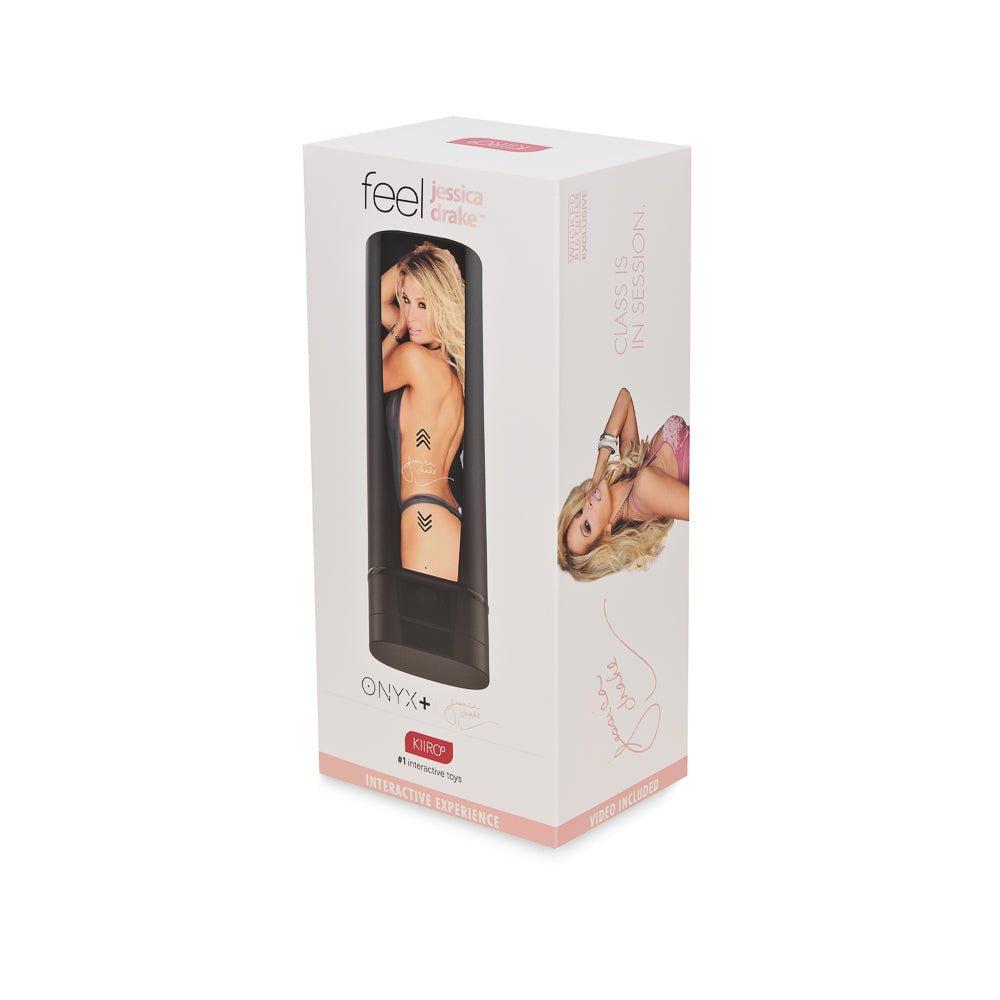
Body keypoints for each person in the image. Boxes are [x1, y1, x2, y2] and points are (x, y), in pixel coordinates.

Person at [381, 242, 466, 581]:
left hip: (425, 521)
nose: (411, 316)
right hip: (445, 514)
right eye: (405, 301)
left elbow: (365, 376)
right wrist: (419, 255)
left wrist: (397, 328)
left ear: (441, 303)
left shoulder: (413, 360)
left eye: (422, 304)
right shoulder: (453, 371)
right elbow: (378, 301)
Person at [557, 387, 690, 581]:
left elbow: (624, 398)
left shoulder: (629, 475)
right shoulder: (644, 490)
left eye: (579, 511)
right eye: (587, 525)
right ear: (605, 535)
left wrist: (599, 471)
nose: (587, 505)